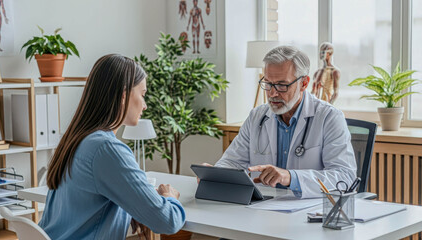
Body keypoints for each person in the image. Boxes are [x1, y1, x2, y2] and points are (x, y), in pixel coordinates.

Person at [39, 54, 186, 239]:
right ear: (124, 96)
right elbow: (168, 221)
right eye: (142, 95)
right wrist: (169, 197)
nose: (145, 105)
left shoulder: (76, 139)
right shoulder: (106, 149)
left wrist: (132, 207)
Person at [210, 46, 356, 199]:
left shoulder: (329, 117)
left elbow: (344, 177)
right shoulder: (256, 117)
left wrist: (290, 178)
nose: (272, 93)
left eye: (282, 85)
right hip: (262, 208)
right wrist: (215, 175)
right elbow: (231, 163)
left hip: (309, 211)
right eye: (268, 84)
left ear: (304, 83)